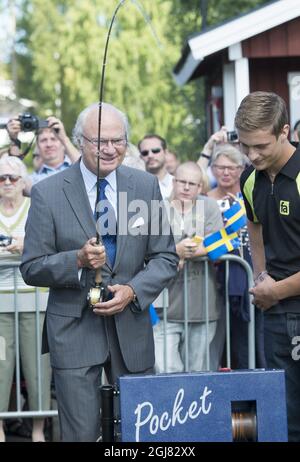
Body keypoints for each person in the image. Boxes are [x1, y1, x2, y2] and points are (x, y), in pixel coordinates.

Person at [20, 102, 178, 442]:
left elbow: (165, 257)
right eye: (98, 141)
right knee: (80, 435)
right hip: (73, 331)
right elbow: (31, 267)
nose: (109, 149)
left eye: (117, 140)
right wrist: (75, 261)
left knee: (141, 433)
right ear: (79, 141)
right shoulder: (47, 193)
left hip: (131, 330)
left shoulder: (145, 186)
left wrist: (132, 291)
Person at [237, 91, 300, 442]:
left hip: (284, 299)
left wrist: (274, 290)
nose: (252, 155)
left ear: (284, 132)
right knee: (283, 415)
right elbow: (255, 229)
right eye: (246, 146)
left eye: (260, 145)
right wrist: (262, 277)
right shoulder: (250, 179)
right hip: (276, 313)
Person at [0, 155, 51, 442]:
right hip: (1, 303)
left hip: (34, 299)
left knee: (38, 366)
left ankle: (39, 430)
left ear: (23, 181)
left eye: (13, 177)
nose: (7, 183)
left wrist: (25, 247)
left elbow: (46, 244)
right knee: (0, 365)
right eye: (1, 178)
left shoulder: (35, 207)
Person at [154, 162, 222, 373]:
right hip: (164, 307)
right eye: (182, 182)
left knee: (198, 372)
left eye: (192, 184)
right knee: (165, 370)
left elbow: (217, 244)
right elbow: (149, 249)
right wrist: (177, 251)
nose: (186, 187)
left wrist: (177, 252)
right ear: (173, 182)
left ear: (200, 187)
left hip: (202, 306)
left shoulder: (209, 206)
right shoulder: (158, 209)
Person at [207, 145, 265, 370]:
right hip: (215, 277)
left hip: (248, 274)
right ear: (212, 170)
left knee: (254, 334)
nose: (225, 172)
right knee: (227, 340)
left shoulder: (250, 194)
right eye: (220, 167)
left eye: (232, 167)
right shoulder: (205, 198)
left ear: (242, 169)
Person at [6, 115, 80, 194]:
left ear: (62, 144)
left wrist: (64, 138)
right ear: (37, 147)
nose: (49, 144)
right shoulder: (33, 179)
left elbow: (87, 168)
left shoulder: (76, 166)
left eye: (53, 139)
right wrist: (14, 140)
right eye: (43, 140)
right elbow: (14, 178)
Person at [138, 134, 174, 199]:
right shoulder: (136, 186)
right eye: (145, 153)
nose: (150, 155)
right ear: (140, 157)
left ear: (165, 152)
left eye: (155, 151)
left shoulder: (180, 185)